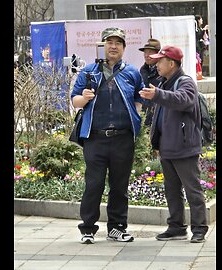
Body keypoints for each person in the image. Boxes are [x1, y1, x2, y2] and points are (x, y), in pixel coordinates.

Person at [70, 27, 144, 244]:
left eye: (118, 43)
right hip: (95, 138)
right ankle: (88, 229)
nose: (113, 46)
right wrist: (84, 97)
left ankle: (117, 227)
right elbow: (75, 101)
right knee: (94, 184)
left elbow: (139, 98)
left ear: (123, 48)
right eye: (109, 42)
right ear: (102, 46)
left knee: (120, 186)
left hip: (123, 138)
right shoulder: (89, 72)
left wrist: (135, 118)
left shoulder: (132, 72)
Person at [139, 45, 209, 243]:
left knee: (192, 190)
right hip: (167, 147)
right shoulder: (163, 82)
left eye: (160, 61)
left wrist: (158, 95)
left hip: (184, 148)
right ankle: (176, 227)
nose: (156, 64)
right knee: (172, 191)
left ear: (171, 63)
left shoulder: (185, 82)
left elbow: (183, 100)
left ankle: (199, 229)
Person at [138, 38, 162, 126]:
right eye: (145, 52)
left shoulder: (163, 70)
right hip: (145, 115)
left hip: (160, 115)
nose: (147, 55)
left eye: (150, 52)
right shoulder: (143, 70)